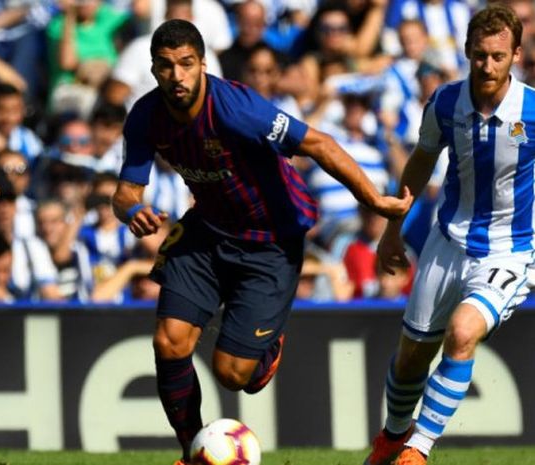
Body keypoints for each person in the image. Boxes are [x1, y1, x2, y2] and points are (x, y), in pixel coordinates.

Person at [111, 19, 413, 465]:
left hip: (270, 240)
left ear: (202, 64)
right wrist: (132, 211)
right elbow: (125, 192)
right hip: (207, 232)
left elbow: (318, 143)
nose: (177, 76)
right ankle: (191, 452)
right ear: (153, 69)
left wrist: (373, 198)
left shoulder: (235, 109)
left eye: (186, 64)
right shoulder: (145, 116)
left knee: (234, 375)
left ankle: (266, 347)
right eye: (166, 66)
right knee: (168, 342)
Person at [364, 5, 533, 465]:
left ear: (516, 54)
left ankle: (418, 450)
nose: (488, 66)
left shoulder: (533, 111)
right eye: (480, 55)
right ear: (466, 52)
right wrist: (392, 229)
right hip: (446, 242)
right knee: (411, 359)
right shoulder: (444, 103)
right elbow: (420, 160)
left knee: (462, 332)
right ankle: (394, 438)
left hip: (508, 252)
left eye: (499, 56)